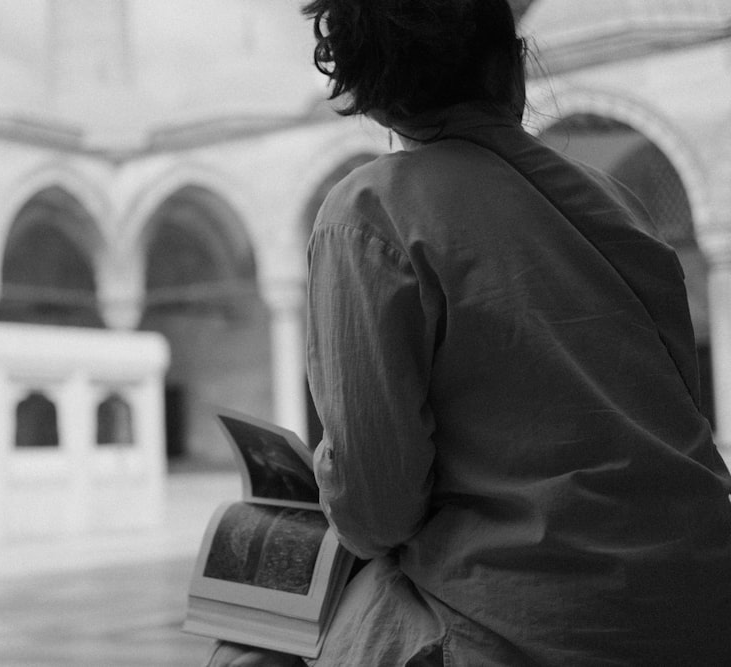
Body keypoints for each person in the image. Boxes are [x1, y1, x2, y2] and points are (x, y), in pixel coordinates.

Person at [208, 0, 731, 665]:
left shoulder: (369, 212)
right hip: (700, 598)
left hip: (535, 622)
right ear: (512, 71)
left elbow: (378, 509)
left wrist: (324, 479)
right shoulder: (616, 205)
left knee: (249, 637)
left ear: (370, 99)